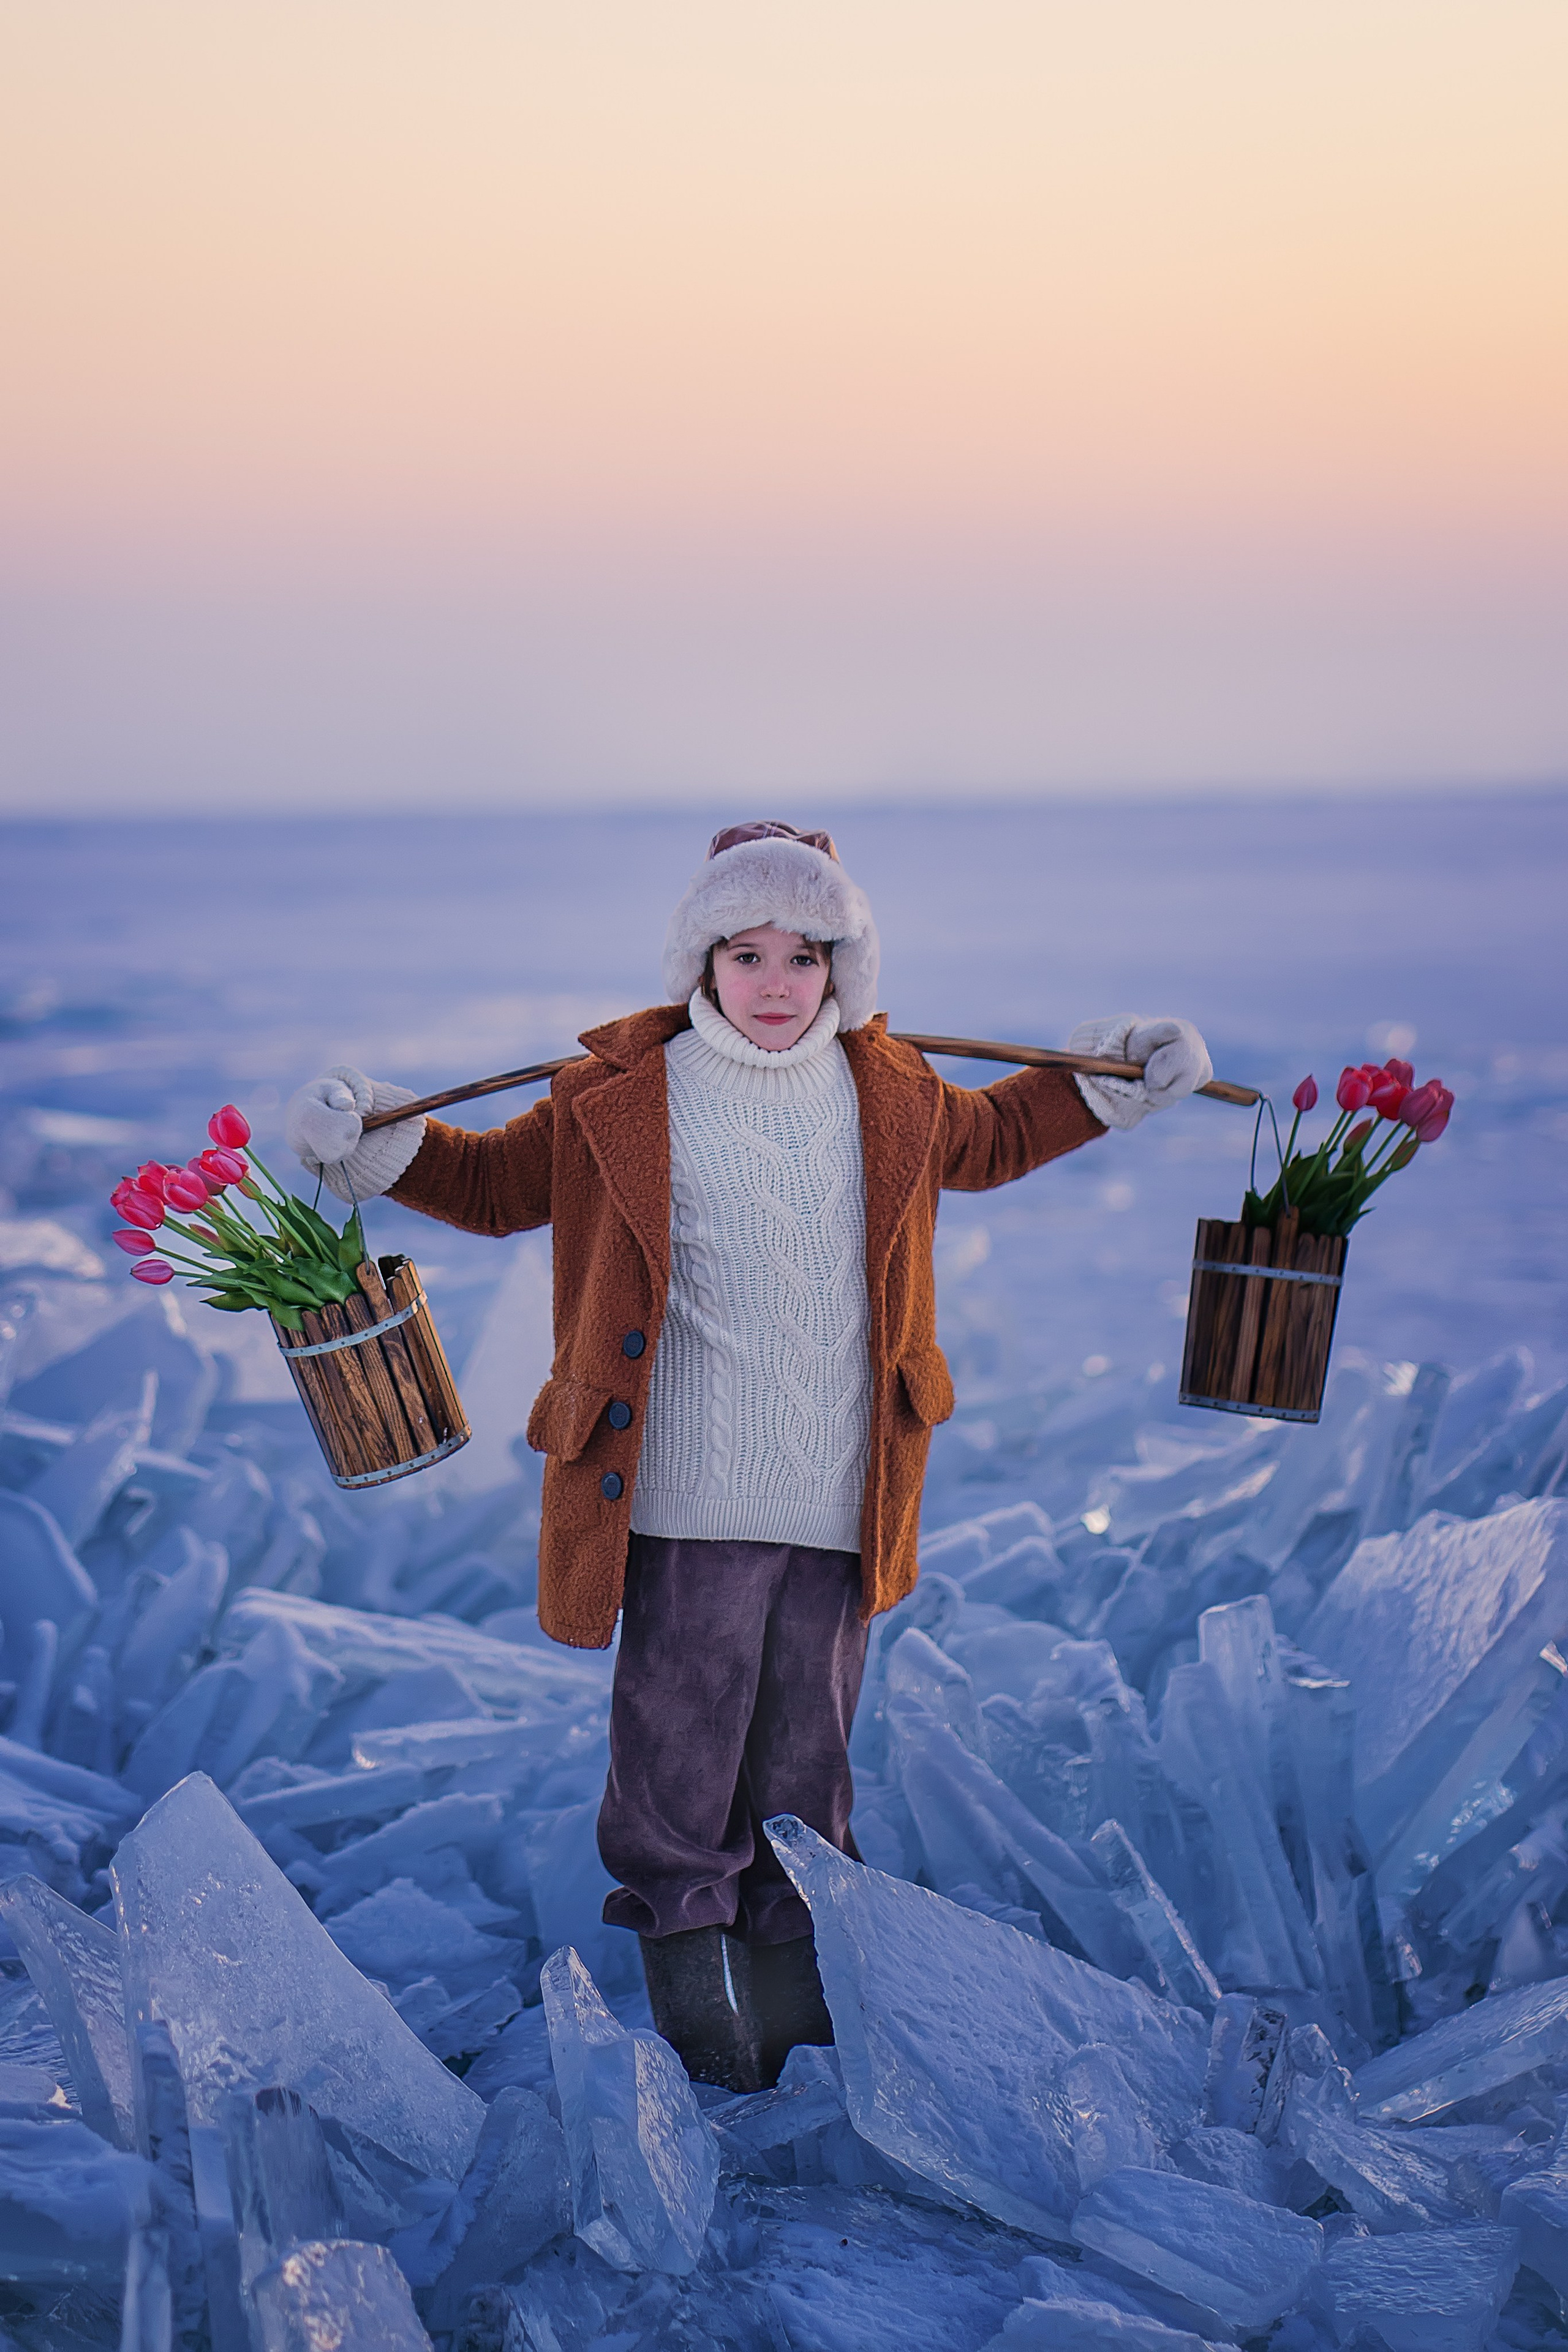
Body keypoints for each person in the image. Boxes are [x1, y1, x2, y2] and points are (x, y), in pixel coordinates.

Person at [285, 821, 1211, 2089]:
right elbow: (494, 1189)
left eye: (803, 956)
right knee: (679, 1746)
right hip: (678, 1486)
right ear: (699, 965)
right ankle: (698, 1998)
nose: (775, 984)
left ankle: (794, 1986)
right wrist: (371, 1139)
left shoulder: (892, 1091)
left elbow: (995, 1139)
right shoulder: (616, 1093)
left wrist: (1115, 1075)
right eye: (745, 954)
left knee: (804, 1755)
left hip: (841, 1482)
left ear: (841, 970)